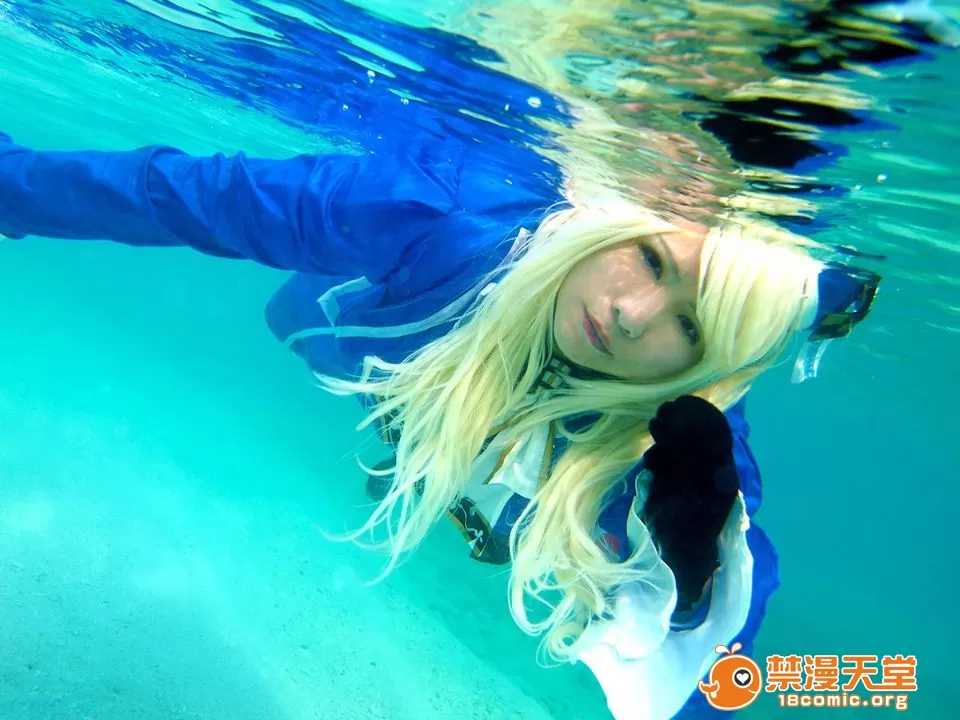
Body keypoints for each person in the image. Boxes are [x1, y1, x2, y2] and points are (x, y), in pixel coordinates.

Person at [0, 125, 877, 718]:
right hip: (374, 359)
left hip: (521, 434)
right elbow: (189, 195)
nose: (632, 314)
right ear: (613, 223)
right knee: (429, 431)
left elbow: (722, 639)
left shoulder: (687, 417)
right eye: (648, 258)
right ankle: (422, 453)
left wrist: (697, 579)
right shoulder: (432, 208)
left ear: (710, 357)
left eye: (689, 324)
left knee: (583, 504)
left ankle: (447, 471)